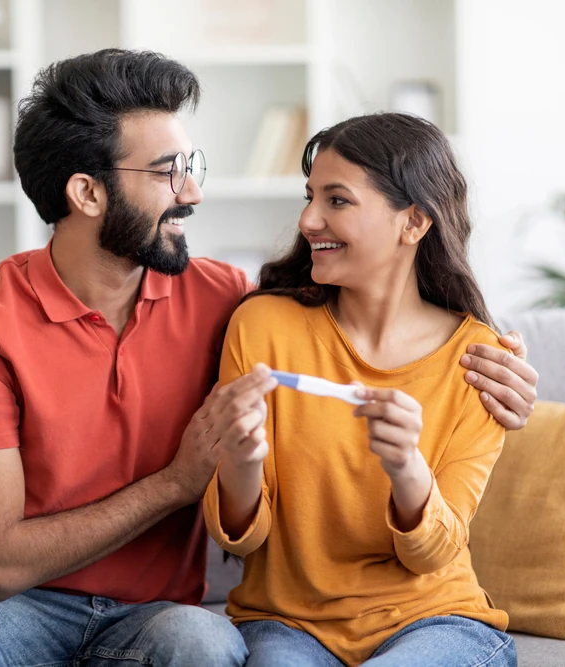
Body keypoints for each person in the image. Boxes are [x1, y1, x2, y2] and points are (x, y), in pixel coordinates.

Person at [0, 50, 537, 667]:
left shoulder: (225, 299)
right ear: (87, 194)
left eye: (192, 162)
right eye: (168, 170)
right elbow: (1, 563)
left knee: (207, 647)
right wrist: (177, 481)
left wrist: (509, 371)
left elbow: (359, 318)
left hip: (156, 616)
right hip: (16, 607)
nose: (193, 190)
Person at [206, 113, 521, 666]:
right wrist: (240, 461)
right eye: (309, 198)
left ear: (414, 222)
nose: (308, 220)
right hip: (286, 625)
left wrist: (407, 468)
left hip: (437, 622)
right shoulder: (263, 328)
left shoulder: (479, 361)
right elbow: (239, 539)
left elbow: (436, 554)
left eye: (337, 200)